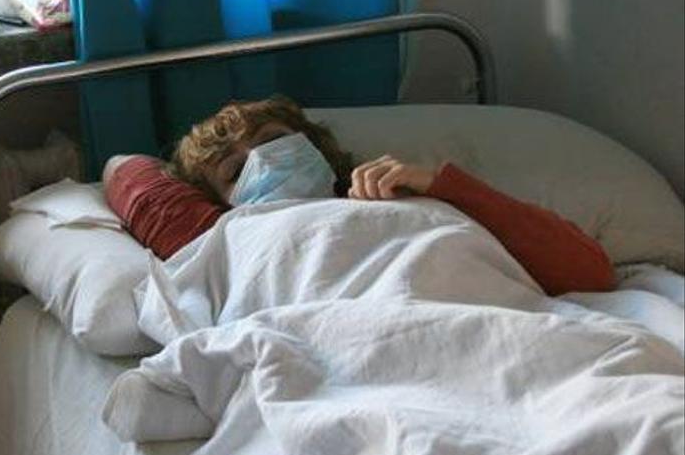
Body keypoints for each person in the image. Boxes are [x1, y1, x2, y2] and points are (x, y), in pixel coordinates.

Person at [104, 96, 615, 296]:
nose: (262, 160)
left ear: (317, 147)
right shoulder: (231, 237)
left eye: (273, 141)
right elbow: (124, 172)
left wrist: (445, 186)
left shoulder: (415, 194)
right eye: (236, 171)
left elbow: (590, 273)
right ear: (220, 204)